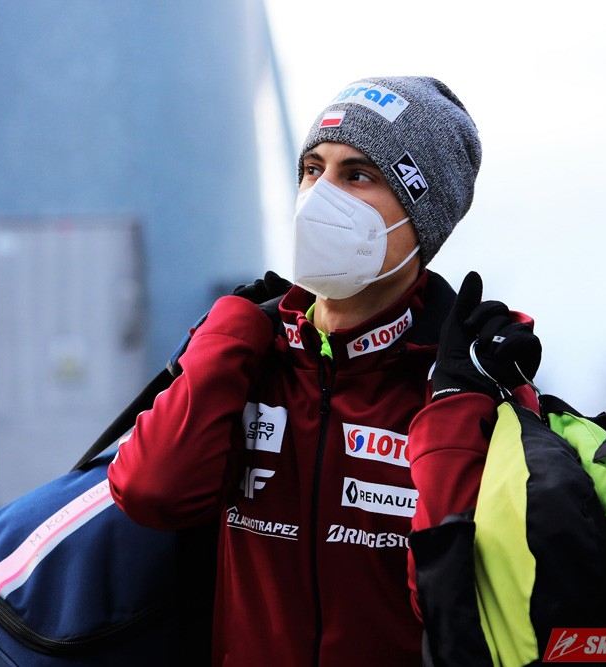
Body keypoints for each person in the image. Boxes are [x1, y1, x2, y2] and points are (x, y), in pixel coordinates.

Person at [108, 76, 540, 665]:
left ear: (421, 217)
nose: (320, 197)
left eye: (357, 175)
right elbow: (152, 495)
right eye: (313, 169)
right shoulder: (253, 351)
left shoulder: (468, 377)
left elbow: (462, 596)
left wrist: (458, 404)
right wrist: (228, 330)